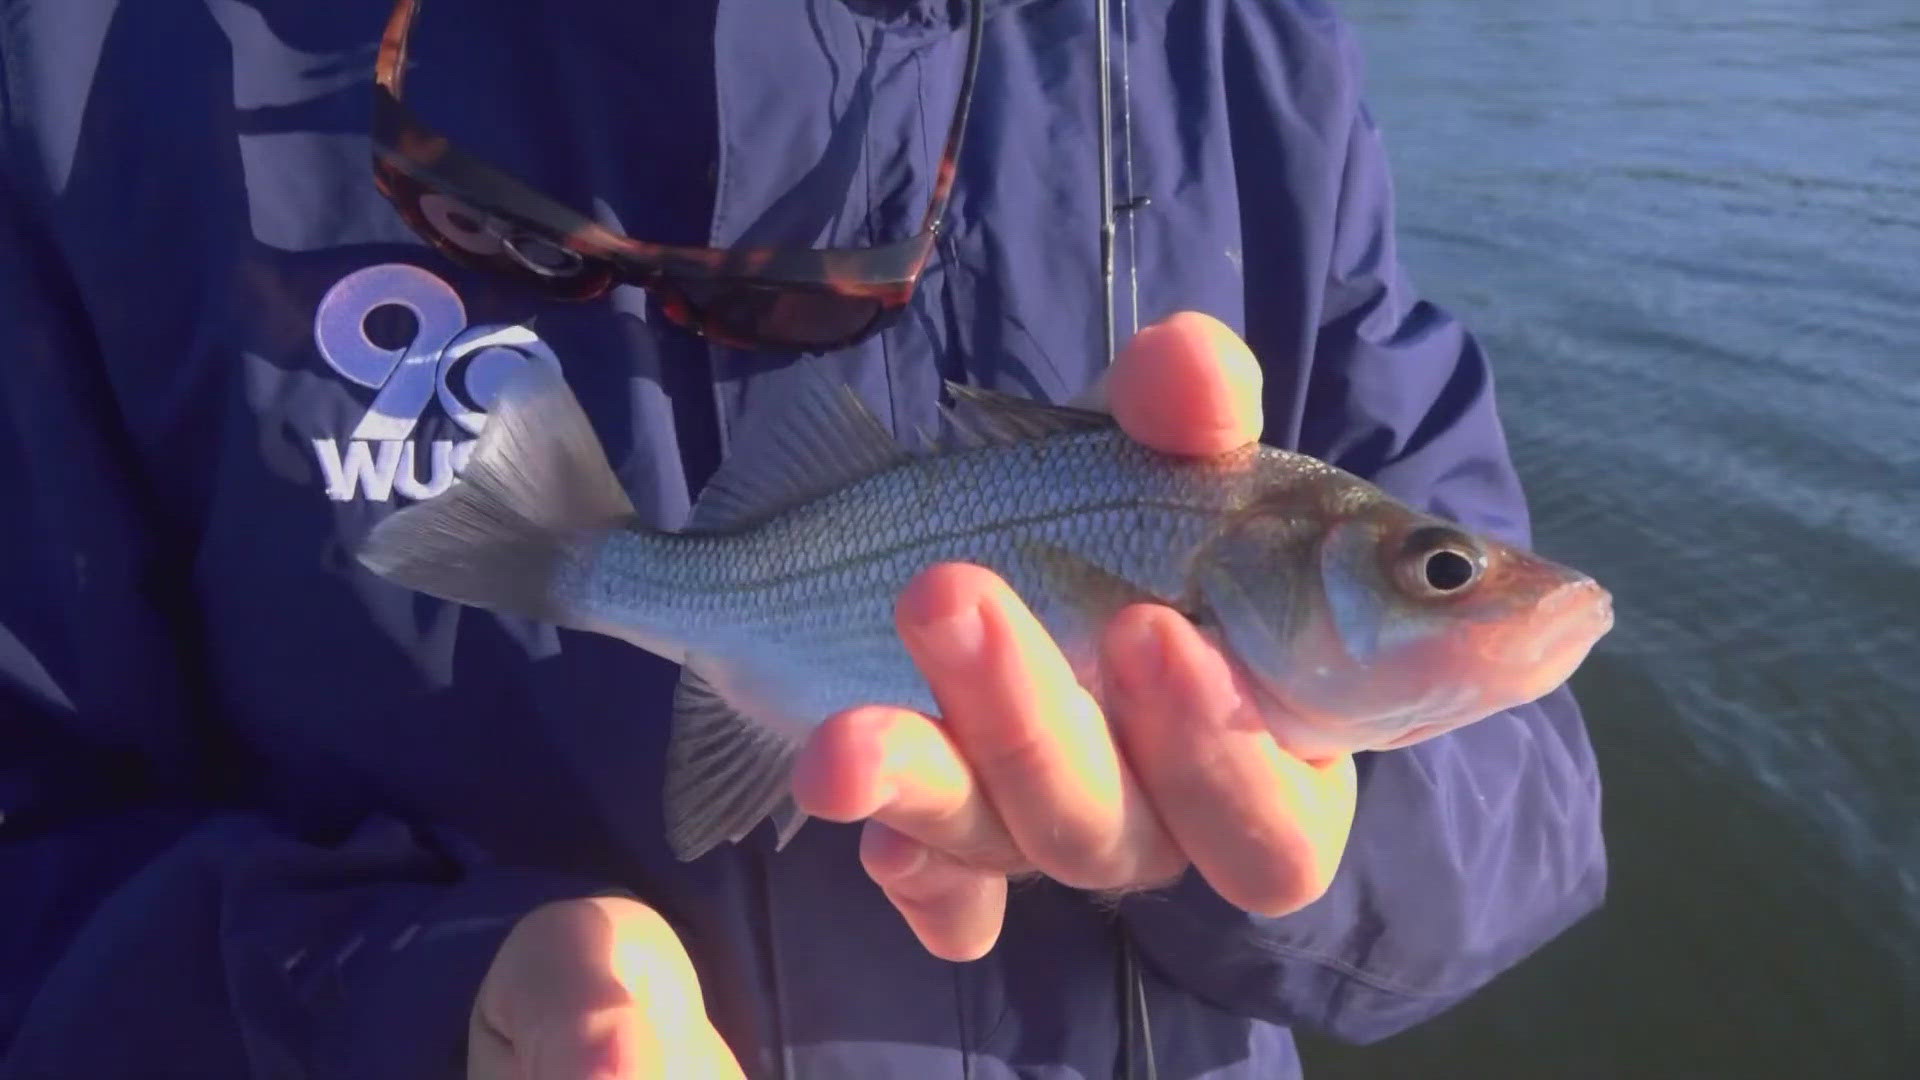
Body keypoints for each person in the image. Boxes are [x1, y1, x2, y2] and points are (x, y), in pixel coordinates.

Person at [0, 1, 1608, 1077]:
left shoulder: (1239, 44)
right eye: (1434, 571)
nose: (1460, 586)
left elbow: (1524, 814)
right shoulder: (89, 72)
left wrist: (1297, 853)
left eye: (1434, 566)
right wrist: (428, 997)